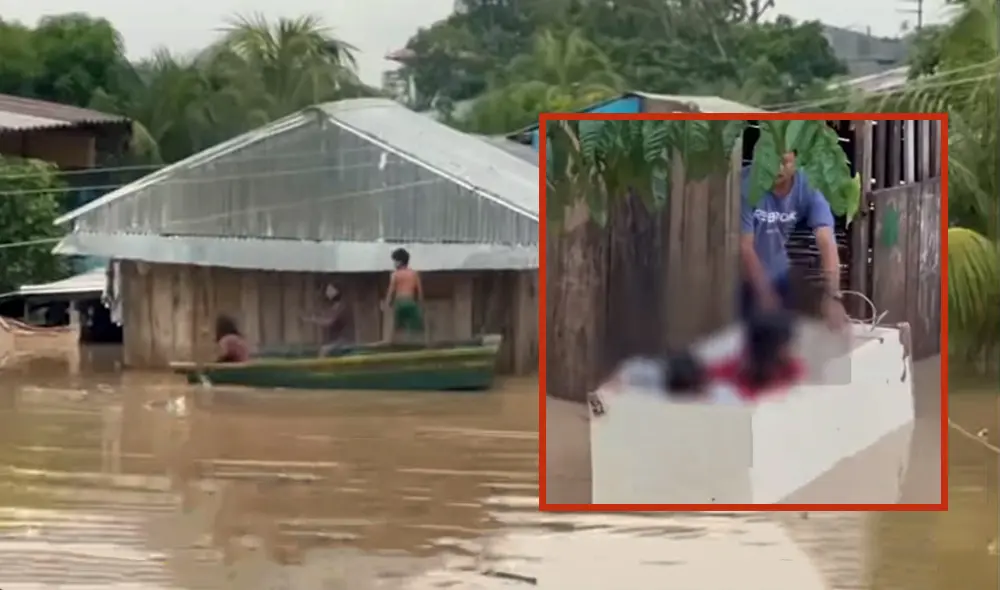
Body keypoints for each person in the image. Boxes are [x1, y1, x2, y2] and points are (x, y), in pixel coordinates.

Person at [739, 151, 848, 330]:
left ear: (797, 161)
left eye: (784, 163)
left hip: (780, 273)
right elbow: (745, 247)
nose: (776, 169)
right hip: (744, 278)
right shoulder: (746, 185)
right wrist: (764, 292)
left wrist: (832, 296)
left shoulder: (809, 185)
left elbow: (826, 241)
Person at [382, 248, 425, 342]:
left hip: (399, 303)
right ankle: (414, 344)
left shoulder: (395, 275)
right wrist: (420, 305)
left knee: (398, 328)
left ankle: (398, 345)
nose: (394, 264)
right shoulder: (414, 274)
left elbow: (391, 291)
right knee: (415, 328)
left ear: (399, 262)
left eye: (395, 261)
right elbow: (420, 292)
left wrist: (387, 304)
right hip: (411, 302)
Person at [302, 283, 353, 356]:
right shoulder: (335, 306)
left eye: (330, 291)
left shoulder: (341, 306)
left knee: (323, 350)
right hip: (336, 340)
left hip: (343, 340)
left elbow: (329, 320)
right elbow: (326, 316)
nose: (328, 293)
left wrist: (312, 318)